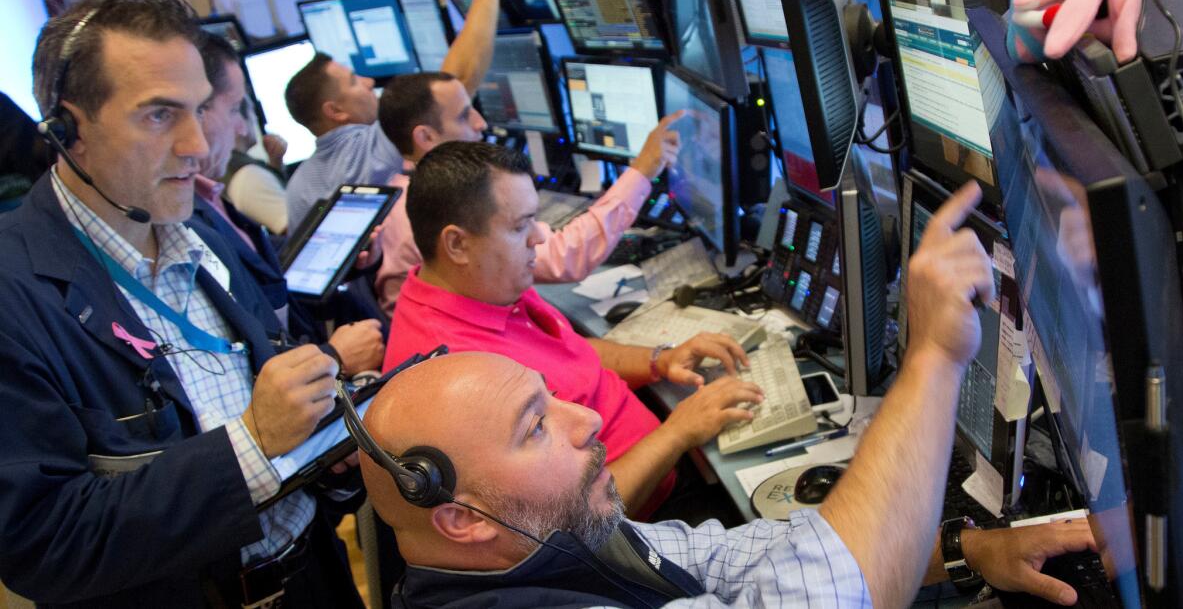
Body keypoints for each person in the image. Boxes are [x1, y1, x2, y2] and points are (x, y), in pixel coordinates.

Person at [359, 182, 1098, 608]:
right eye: (535, 427)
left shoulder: (552, 534)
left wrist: (968, 550)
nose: (584, 418)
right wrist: (935, 354)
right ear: (459, 517)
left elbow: (735, 559)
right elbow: (814, 595)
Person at [0, 0, 362, 607]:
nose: (198, 144)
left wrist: (329, 447)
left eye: (199, 110)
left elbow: (276, 368)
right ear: (69, 130)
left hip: (313, 576)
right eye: (161, 116)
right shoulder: (14, 293)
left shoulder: (202, 226)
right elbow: (42, 543)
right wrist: (253, 442)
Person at [383, 141, 763, 515]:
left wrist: (660, 360)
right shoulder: (458, 377)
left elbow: (570, 349)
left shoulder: (484, 285)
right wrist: (678, 433)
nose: (540, 237)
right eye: (520, 227)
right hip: (640, 521)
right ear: (457, 244)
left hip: (660, 464)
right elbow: (574, 521)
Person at [372, 68, 686, 313]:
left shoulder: (401, 191)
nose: (482, 123)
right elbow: (566, 258)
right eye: (465, 115)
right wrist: (643, 170)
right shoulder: (431, 208)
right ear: (425, 137)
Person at [283, 0, 510, 231]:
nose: (368, 82)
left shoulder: (300, 183)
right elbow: (453, 85)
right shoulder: (360, 157)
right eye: (353, 82)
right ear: (335, 111)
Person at [193, 29, 384, 375]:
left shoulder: (213, 199)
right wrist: (332, 356)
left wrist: (345, 264)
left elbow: (272, 293)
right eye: (236, 108)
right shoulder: (191, 213)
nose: (241, 127)